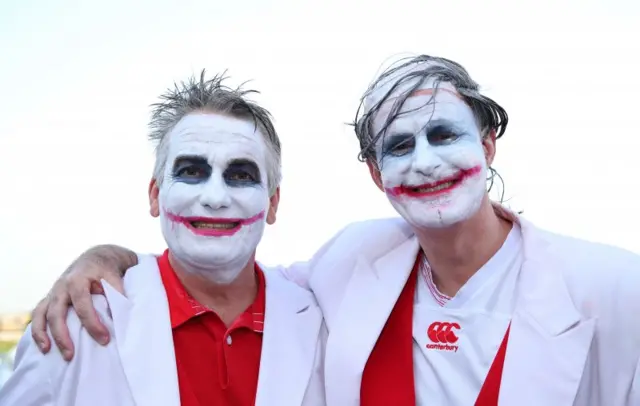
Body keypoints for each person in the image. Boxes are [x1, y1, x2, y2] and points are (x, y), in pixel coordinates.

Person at [27, 55, 640, 406]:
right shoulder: (349, 265)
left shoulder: (613, 288)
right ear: (377, 175)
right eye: (399, 146)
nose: (425, 161)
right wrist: (105, 255)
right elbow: (224, 271)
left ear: (488, 144)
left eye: (444, 135)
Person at [0, 71, 326, 406]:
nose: (215, 197)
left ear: (272, 203)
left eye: (241, 175)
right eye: (191, 172)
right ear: (156, 195)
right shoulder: (77, 324)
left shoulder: (323, 321)